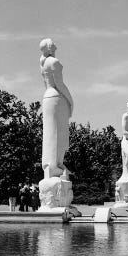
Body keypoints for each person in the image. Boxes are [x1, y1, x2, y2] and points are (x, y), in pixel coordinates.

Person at [40, 38, 74, 179]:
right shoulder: (53, 62)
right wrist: (71, 101)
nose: (56, 46)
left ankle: (51, 164)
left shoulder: (42, 63)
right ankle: (56, 164)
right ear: (50, 48)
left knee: (50, 132)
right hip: (57, 97)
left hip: (47, 97)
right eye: (53, 44)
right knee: (58, 133)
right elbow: (60, 84)